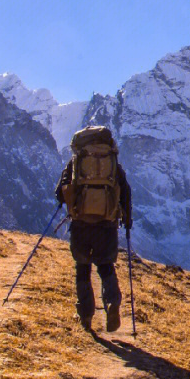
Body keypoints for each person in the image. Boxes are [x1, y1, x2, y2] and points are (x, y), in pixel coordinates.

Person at [55, 125, 132, 332]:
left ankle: (86, 315)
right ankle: (112, 302)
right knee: (106, 266)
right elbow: (125, 190)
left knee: (82, 268)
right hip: (107, 224)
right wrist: (127, 219)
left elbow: (60, 192)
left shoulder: (76, 162)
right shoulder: (113, 163)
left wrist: (69, 202)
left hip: (81, 223)